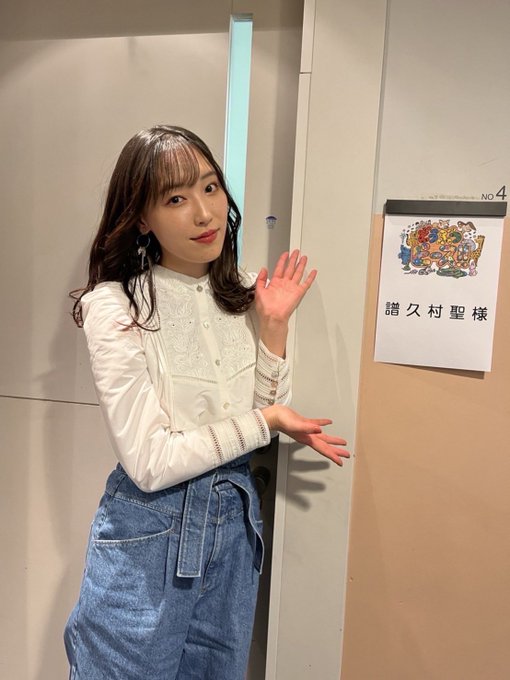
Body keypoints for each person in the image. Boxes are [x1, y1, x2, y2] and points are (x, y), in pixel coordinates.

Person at [64, 124, 349, 680]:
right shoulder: (116, 304)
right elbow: (150, 462)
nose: (204, 213)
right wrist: (267, 419)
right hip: (149, 529)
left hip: (235, 524)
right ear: (141, 218)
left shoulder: (244, 290)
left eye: (210, 187)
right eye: (176, 199)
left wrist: (272, 328)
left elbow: (269, 415)